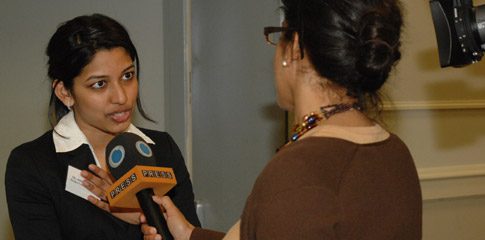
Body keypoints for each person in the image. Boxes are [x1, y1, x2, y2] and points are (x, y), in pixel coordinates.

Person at [142, 0, 422, 239]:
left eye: (278, 36)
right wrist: (189, 234)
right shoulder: (396, 152)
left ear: (294, 48)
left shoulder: (298, 172)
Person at [5, 13, 200, 239]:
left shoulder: (162, 148)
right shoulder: (33, 164)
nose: (121, 96)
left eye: (128, 76)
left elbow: (189, 231)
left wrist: (143, 215)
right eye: (99, 84)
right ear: (65, 92)